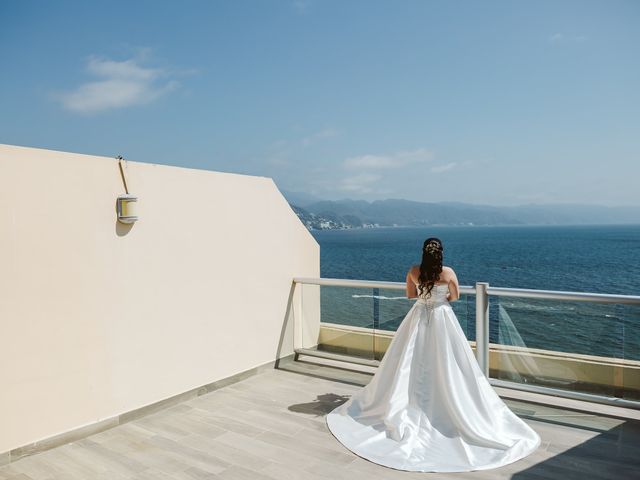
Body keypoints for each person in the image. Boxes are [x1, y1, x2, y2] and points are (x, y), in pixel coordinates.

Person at [325, 237, 540, 472]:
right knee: (449, 363)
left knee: (410, 360)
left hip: (418, 316)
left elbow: (410, 295)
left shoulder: (413, 271)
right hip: (442, 317)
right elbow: (455, 297)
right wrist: (440, 299)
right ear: (440, 253)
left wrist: (425, 297)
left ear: (423, 253)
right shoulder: (448, 273)